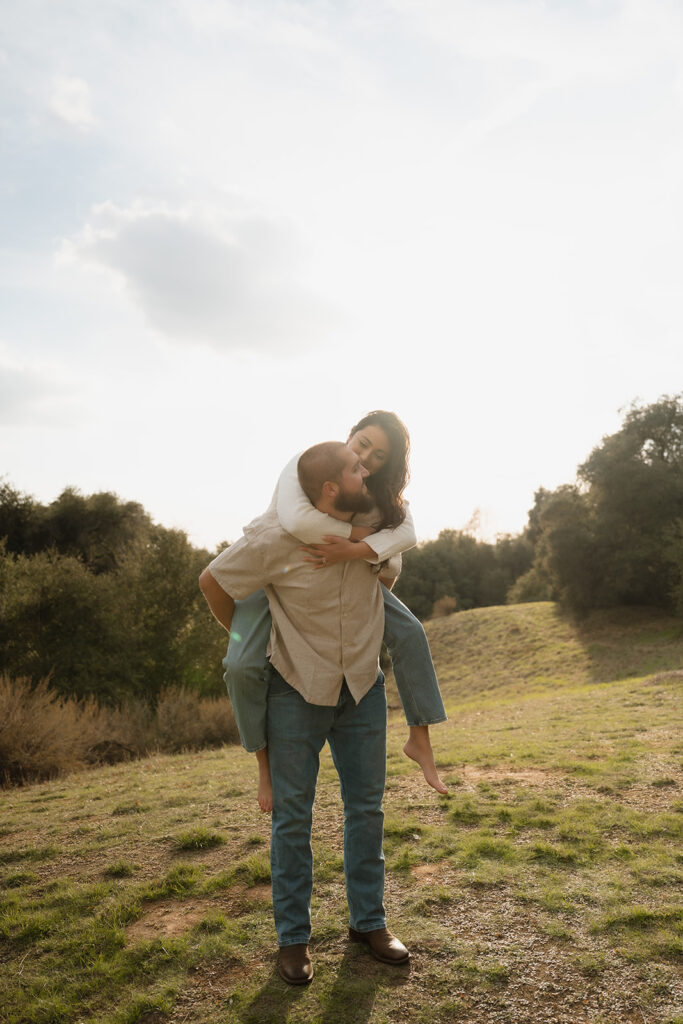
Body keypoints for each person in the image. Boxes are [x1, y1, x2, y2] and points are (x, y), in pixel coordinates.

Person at [199, 442, 410, 984]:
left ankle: (370, 924)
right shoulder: (276, 538)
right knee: (292, 820)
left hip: (363, 687)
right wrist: (251, 643)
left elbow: (391, 571)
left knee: (367, 810)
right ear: (331, 489)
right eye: (358, 468)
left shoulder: (374, 525)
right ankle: (292, 940)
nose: (369, 471)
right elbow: (213, 583)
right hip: (296, 690)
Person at [226, 410, 448, 812]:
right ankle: (263, 765)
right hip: (278, 576)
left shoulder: (375, 498)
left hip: (350, 577)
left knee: (412, 632)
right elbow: (299, 522)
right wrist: (362, 537)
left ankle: (420, 737)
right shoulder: (305, 465)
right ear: (349, 435)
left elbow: (400, 548)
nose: (367, 459)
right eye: (363, 444)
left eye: (379, 456)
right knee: (241, 666)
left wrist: (359, 552)